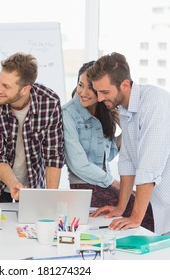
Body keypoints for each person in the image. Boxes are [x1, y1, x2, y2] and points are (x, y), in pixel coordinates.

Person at [88, 52, 170, 252]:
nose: (100, 98)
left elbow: (149, 167)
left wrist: (135, 218)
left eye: (104, 92)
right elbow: (128, 160)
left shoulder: (155, 105)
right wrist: (121, 208)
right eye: (97, 91)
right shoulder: (126, 108)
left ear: (125, 85)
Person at [62, 61, 154, 231]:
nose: (83, 92)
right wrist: (115, 184)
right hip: (85, 187)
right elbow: (78, 164)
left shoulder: (105, 109)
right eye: (80, 85)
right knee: (146, 214)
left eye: (91, 88)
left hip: (105, 184)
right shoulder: (67, 114)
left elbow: (109, 154)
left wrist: (125, 128)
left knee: (149, 210)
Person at [0, 52, 65, 203]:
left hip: (32, 180)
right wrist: (13, 184)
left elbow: (53, 155)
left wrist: (51, 199)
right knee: (0, 223)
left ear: (25, 89)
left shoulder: (50, 102)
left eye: (6, 86)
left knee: (30, 223)